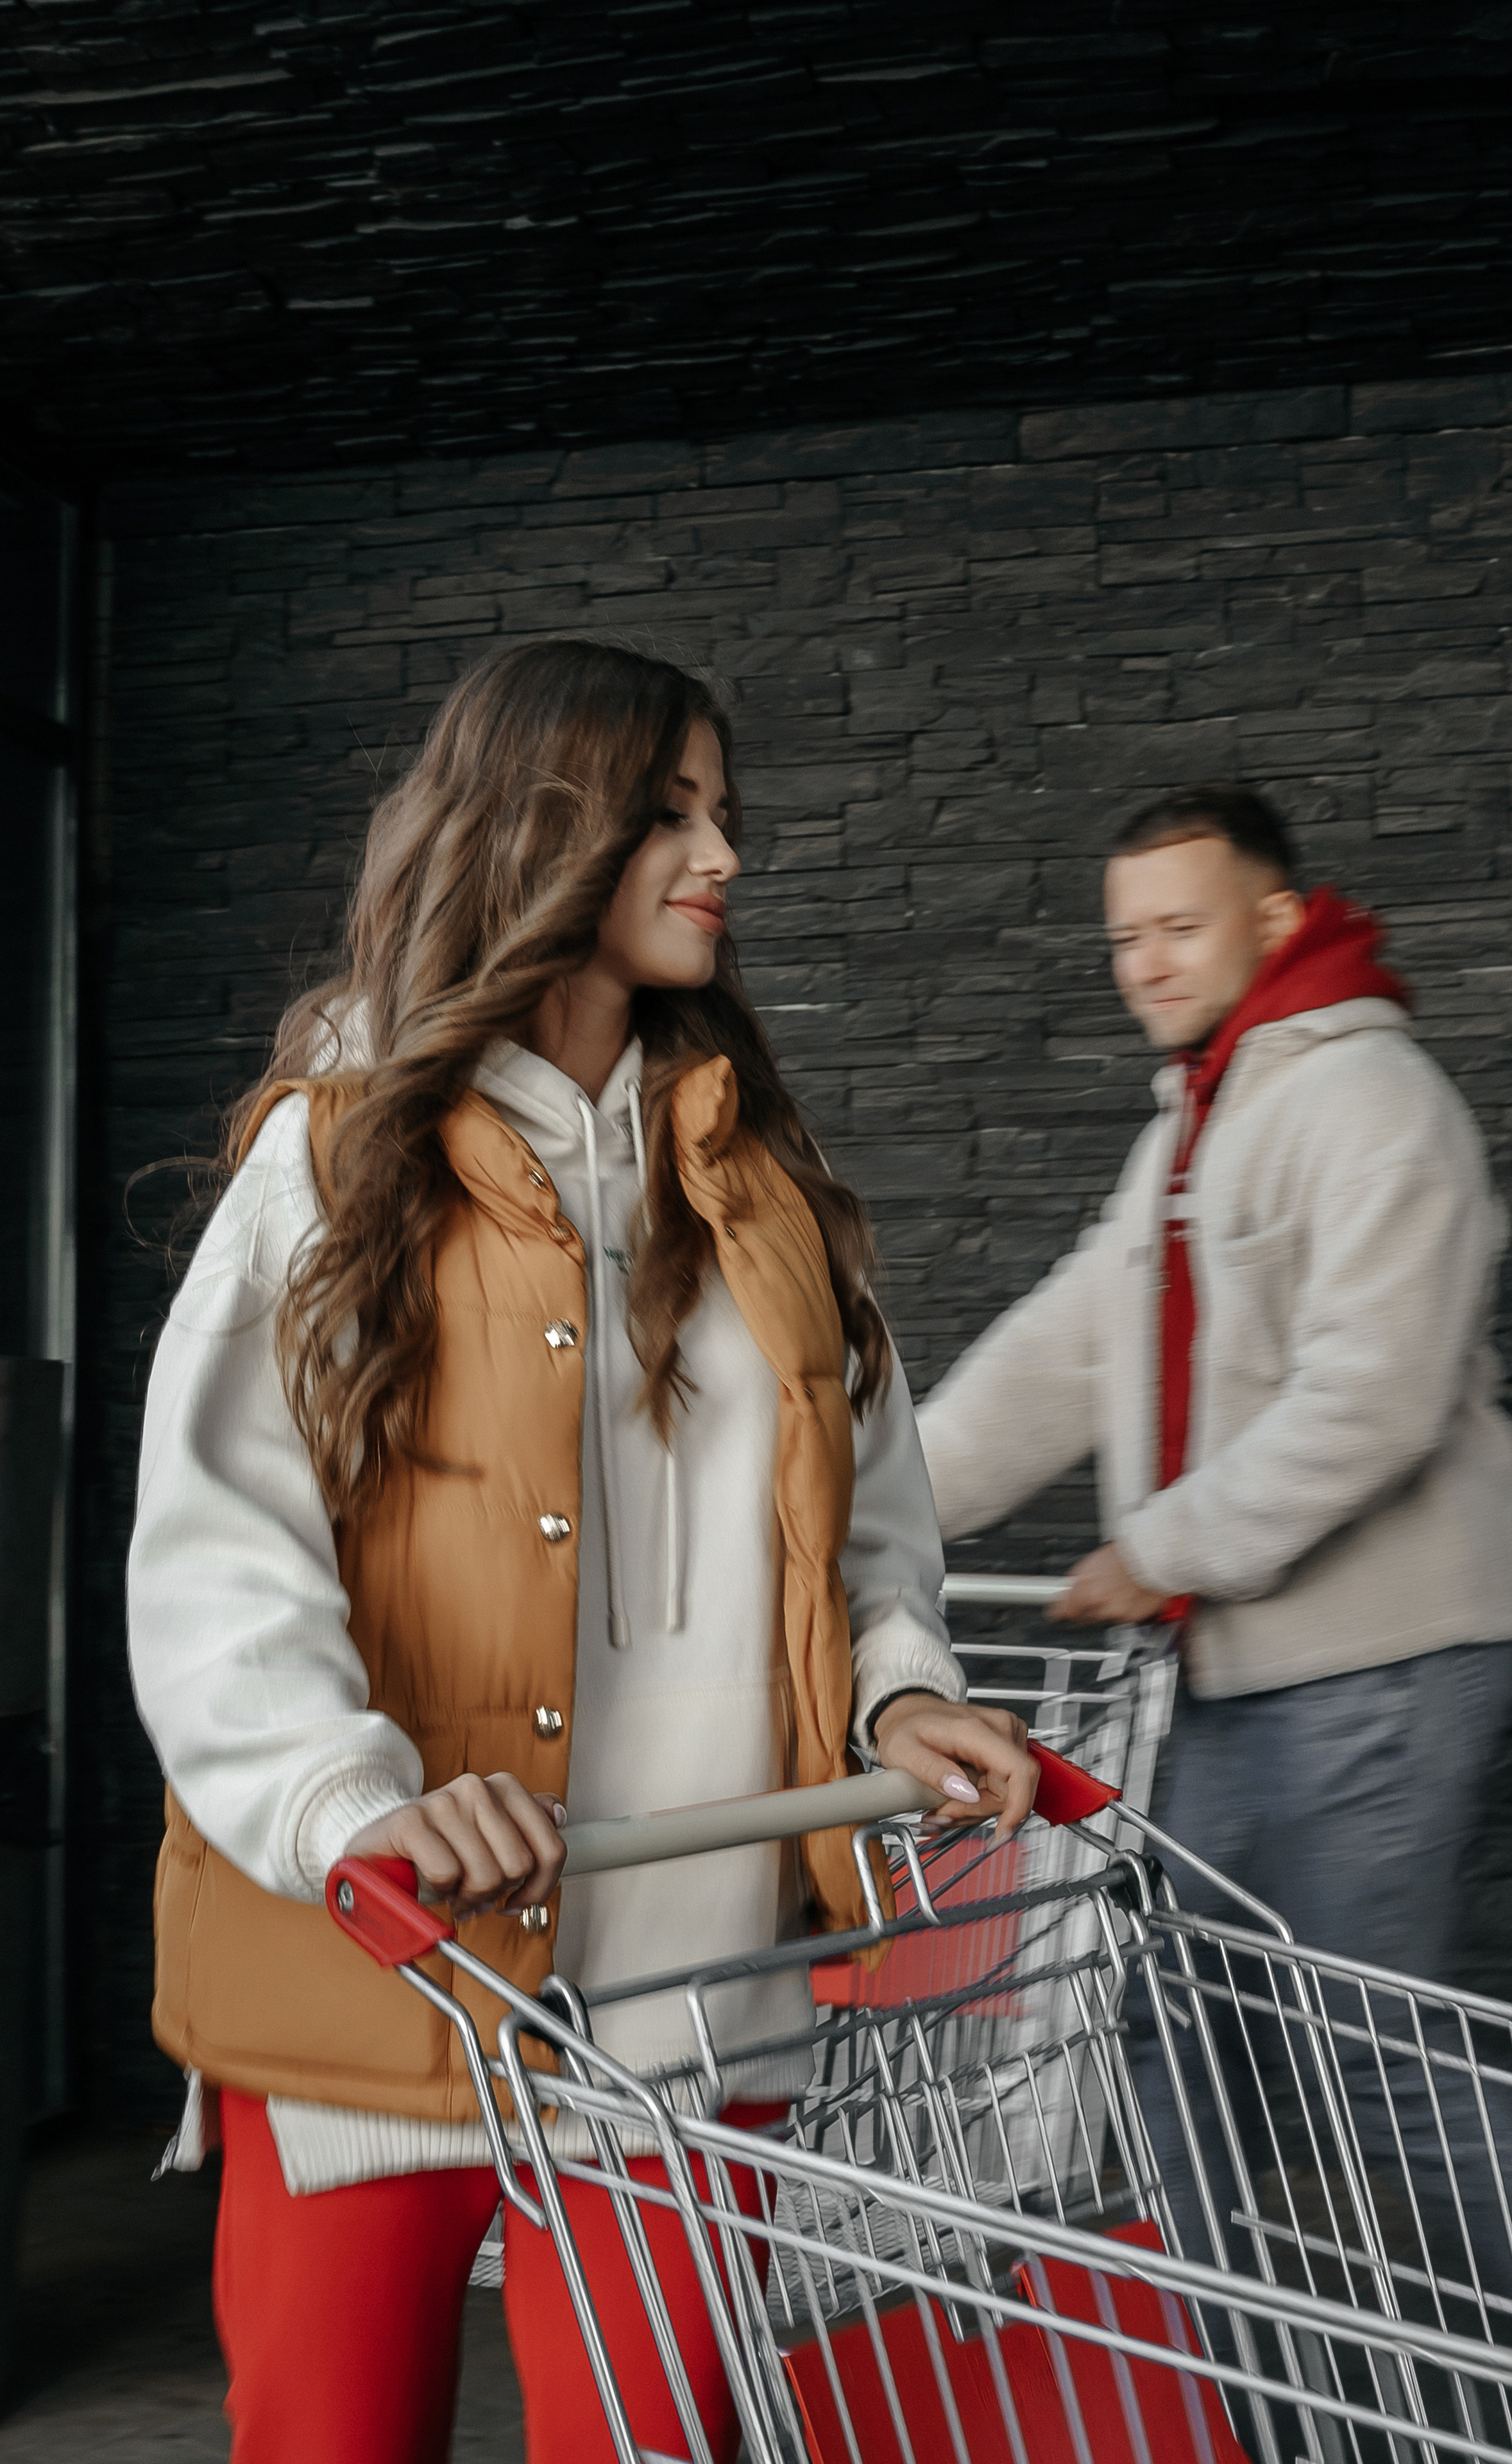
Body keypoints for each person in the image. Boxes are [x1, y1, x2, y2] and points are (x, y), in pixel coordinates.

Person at [128, 638, 1038, 2464]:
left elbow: (867, 1518)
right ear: (548, 832)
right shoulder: (335, 1160)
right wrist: (342, 1802)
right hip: (383, 1978)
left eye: (724, 813)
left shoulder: (765, 1181)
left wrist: (901, 1696)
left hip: (693, 1999)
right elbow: (221, 1546)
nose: (724, 857)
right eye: (673, 812)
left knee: (660, 2441)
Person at [917, 785, 1512, 2378]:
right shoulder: (1201, 1109)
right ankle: (1253, 2379)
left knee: (1373, 2050)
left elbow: (1372, 1395)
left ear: (1273, 915)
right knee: (1156, 2027)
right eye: (1122, 936)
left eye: (1178, 926)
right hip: (1230, 1669)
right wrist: (881, 1503)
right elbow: (1072, 1336)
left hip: (1377, 1657)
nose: (1145, 962)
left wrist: (1157, 1549)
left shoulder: (1374, 1100)